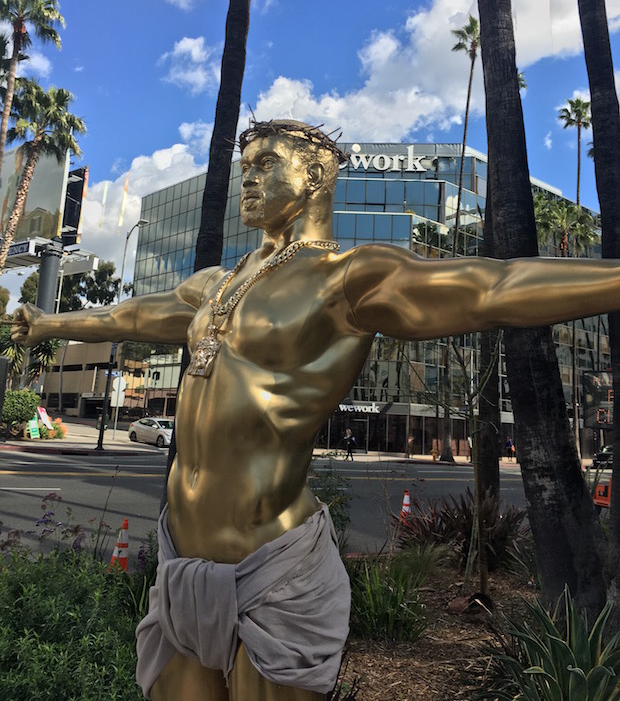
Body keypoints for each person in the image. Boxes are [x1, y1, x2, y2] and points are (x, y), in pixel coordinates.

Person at [12, 118, 620, 701]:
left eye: (266, 165)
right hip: (182, 564)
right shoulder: (218, 283)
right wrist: (48, 323)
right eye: (244, 169)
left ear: (317, 174)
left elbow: (494, 287)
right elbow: (134, 314)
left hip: (272, 569)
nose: (247, 180)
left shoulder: (348, 279)